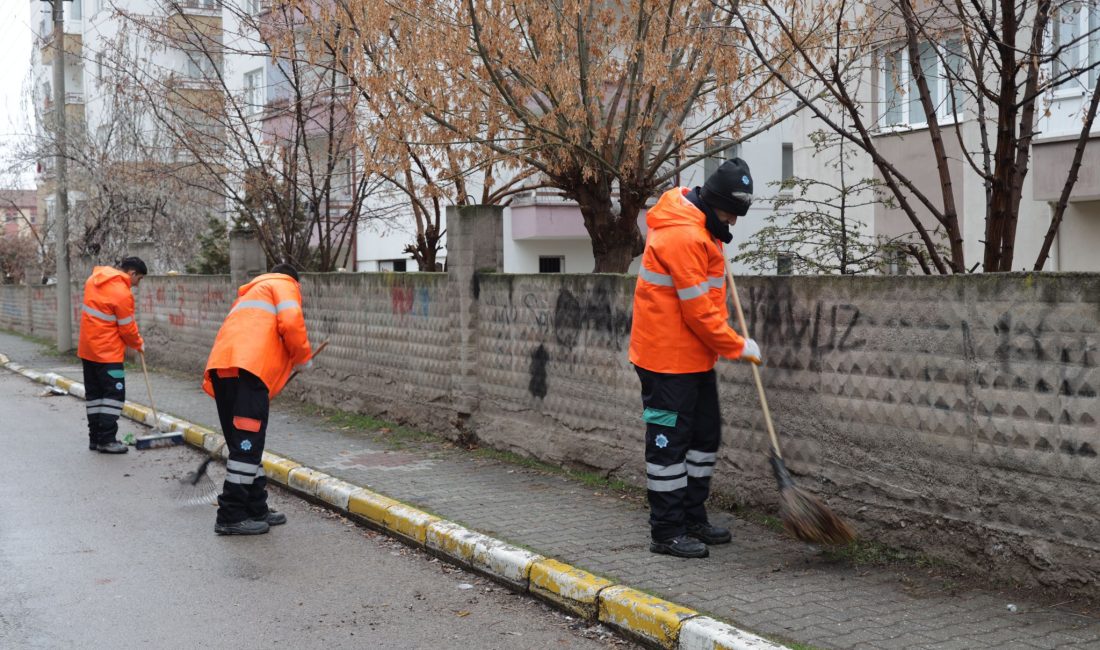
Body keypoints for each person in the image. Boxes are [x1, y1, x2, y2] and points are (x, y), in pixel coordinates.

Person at [629, 157, 763, 559]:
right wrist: (736, 345)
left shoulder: (702, 226)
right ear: (713, 202)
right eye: (729, 215)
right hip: (663, 362)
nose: (733, 224)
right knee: (668, 445)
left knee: (705, 437)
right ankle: (666, 531)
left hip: (694, 358)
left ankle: (691, 516)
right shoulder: (683, 238)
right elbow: (698, 311)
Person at [203, 263, 313, 536]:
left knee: (245, 445)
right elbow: (291, 322)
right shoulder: (284, 284)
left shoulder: (251, 293)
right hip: (248, 372)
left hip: (224, 370)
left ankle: (256, 508)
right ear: (295, 280)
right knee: (246, 445)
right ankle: (230, 515)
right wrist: (302, 357)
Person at [77, 257, 147, 454]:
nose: (137, 284)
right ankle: (107, 440)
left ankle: (95, 439)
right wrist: (138, 344)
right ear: (132, 273)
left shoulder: (93, 280)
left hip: (88, 350)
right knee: (114, 396)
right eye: (139, 279)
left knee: (94, 396)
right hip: (108, 353)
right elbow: (127, 329)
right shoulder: (122, 293)